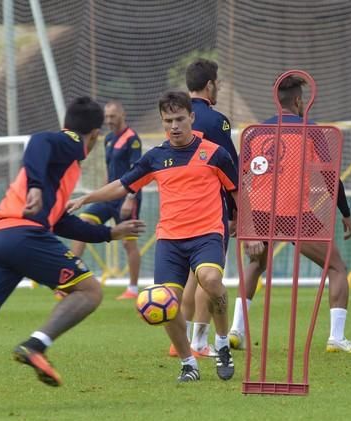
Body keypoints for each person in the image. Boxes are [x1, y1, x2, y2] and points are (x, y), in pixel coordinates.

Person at [0, 97, 146, 414]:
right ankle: (36, 345)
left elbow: (59, 220)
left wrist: (109, 233)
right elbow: (38, 141)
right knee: (89, 291)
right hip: (21, 235)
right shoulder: (71, 143)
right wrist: (34, 185)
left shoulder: (61, 166)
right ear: (94, 135)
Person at [67, 91, 239, 382]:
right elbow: (122, 185)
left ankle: (222, 343)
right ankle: (188, 363)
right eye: (168, 120)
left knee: (211, 280)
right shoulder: (156, 158)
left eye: (180, 119)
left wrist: (245, 225)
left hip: (207, 234)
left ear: (192, 118)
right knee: (166, 300)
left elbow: (236, 191)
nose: (174, 126)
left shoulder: (215, 154)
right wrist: (86, 199)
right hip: (170, 241)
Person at [231, 74, 351, 354]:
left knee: (255, 266)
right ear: (298, 101)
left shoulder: (255, 132)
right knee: (336, 268)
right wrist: (345, 213)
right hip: (295, 212)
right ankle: (336, 337)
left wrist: (240, 217)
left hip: (259, 210)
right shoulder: (311, 130)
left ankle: (237, 329)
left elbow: (240, 178)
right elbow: (332, 177)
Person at [172, 59, 240, 358]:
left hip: (181, 206)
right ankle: (200, 342)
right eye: (218, 82)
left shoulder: (177, 117)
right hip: (212, 208)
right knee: (209, 275)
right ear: (210, 84)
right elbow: (231, 168)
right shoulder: (216, 121)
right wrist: (237, 213)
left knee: (190, 275)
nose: (219, 87)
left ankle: (182, 342)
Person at [71, 100, 143, 300]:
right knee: (82, 225)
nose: (108, 120)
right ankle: (69, 281)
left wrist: (130, 199)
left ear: (122, 115)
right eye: (106, 117)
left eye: (112, 116)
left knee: (129, 244)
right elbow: (108, 169)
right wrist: (100, 192)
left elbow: (137, 172)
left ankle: (133, 289)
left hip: (127, 198)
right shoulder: (108, 139)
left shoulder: (132, 139)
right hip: (108, 197)